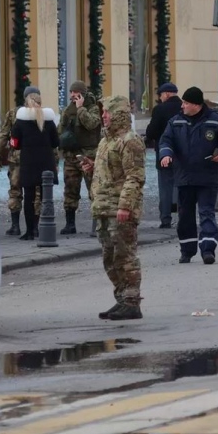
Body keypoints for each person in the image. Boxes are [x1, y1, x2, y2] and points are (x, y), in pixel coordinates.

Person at [80, 95, 146, 321]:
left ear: (117, 113)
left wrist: (125, 206)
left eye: (107, 112)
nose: (103, 116)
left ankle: (131, 301)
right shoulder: (105, 141)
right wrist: (91, 168)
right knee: (110, 258)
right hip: (104, 209)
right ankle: (121, 298)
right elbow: (110, 173)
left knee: (125, 256)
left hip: (120, 209)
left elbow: (134, 177)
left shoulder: (130, 141)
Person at [158, 87, 218, 265]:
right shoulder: (176, 122)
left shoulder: (216, 121)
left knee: (206, 213)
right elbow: (166, 140)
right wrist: (166, 154)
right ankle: (187, 250)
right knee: (185, 216)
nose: (182, 106)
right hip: (184, 177)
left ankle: (208, 249)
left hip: (207, 176)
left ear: (196, 105)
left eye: (186, 103)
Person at [0, 86, 43, 237]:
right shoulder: (43, 114)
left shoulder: (13, 113)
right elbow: (49, 141)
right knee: (36, 192)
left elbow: (3, 136)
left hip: (16, 159)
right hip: (36, 159)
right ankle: (34, 227)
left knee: (15, 191)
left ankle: (15, 226)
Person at [10, 91, 59, 241]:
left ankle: (30, 231)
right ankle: (44, 228)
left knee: (29, 197)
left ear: (26, 104)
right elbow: (56, 142)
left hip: (28, 163)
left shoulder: (20, 121)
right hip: (46, 163)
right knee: (45, 198)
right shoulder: (49, 121)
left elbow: (15, 144)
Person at [57, 80, 102, 236]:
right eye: (71, 93)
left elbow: (91, 125)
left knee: (94, 190)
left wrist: (81, 108)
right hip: (71, 156)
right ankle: (70, 224)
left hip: (88, 155)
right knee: (70, 190)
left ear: (82, 93)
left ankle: (97, 224)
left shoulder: (93, 108)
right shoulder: (68, 110)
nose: (72, 96)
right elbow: (60, 131)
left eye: (75, 93)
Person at [144, 82, 182, 229]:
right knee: (182, 186)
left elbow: (151, 132)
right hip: (183, 155)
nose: (160, 98)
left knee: (165, 187)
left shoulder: (160, 109)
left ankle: (165, 219)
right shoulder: (184, 107)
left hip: (164, 153)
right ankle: (183, 217)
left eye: (160, 95)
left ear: (166, 94)